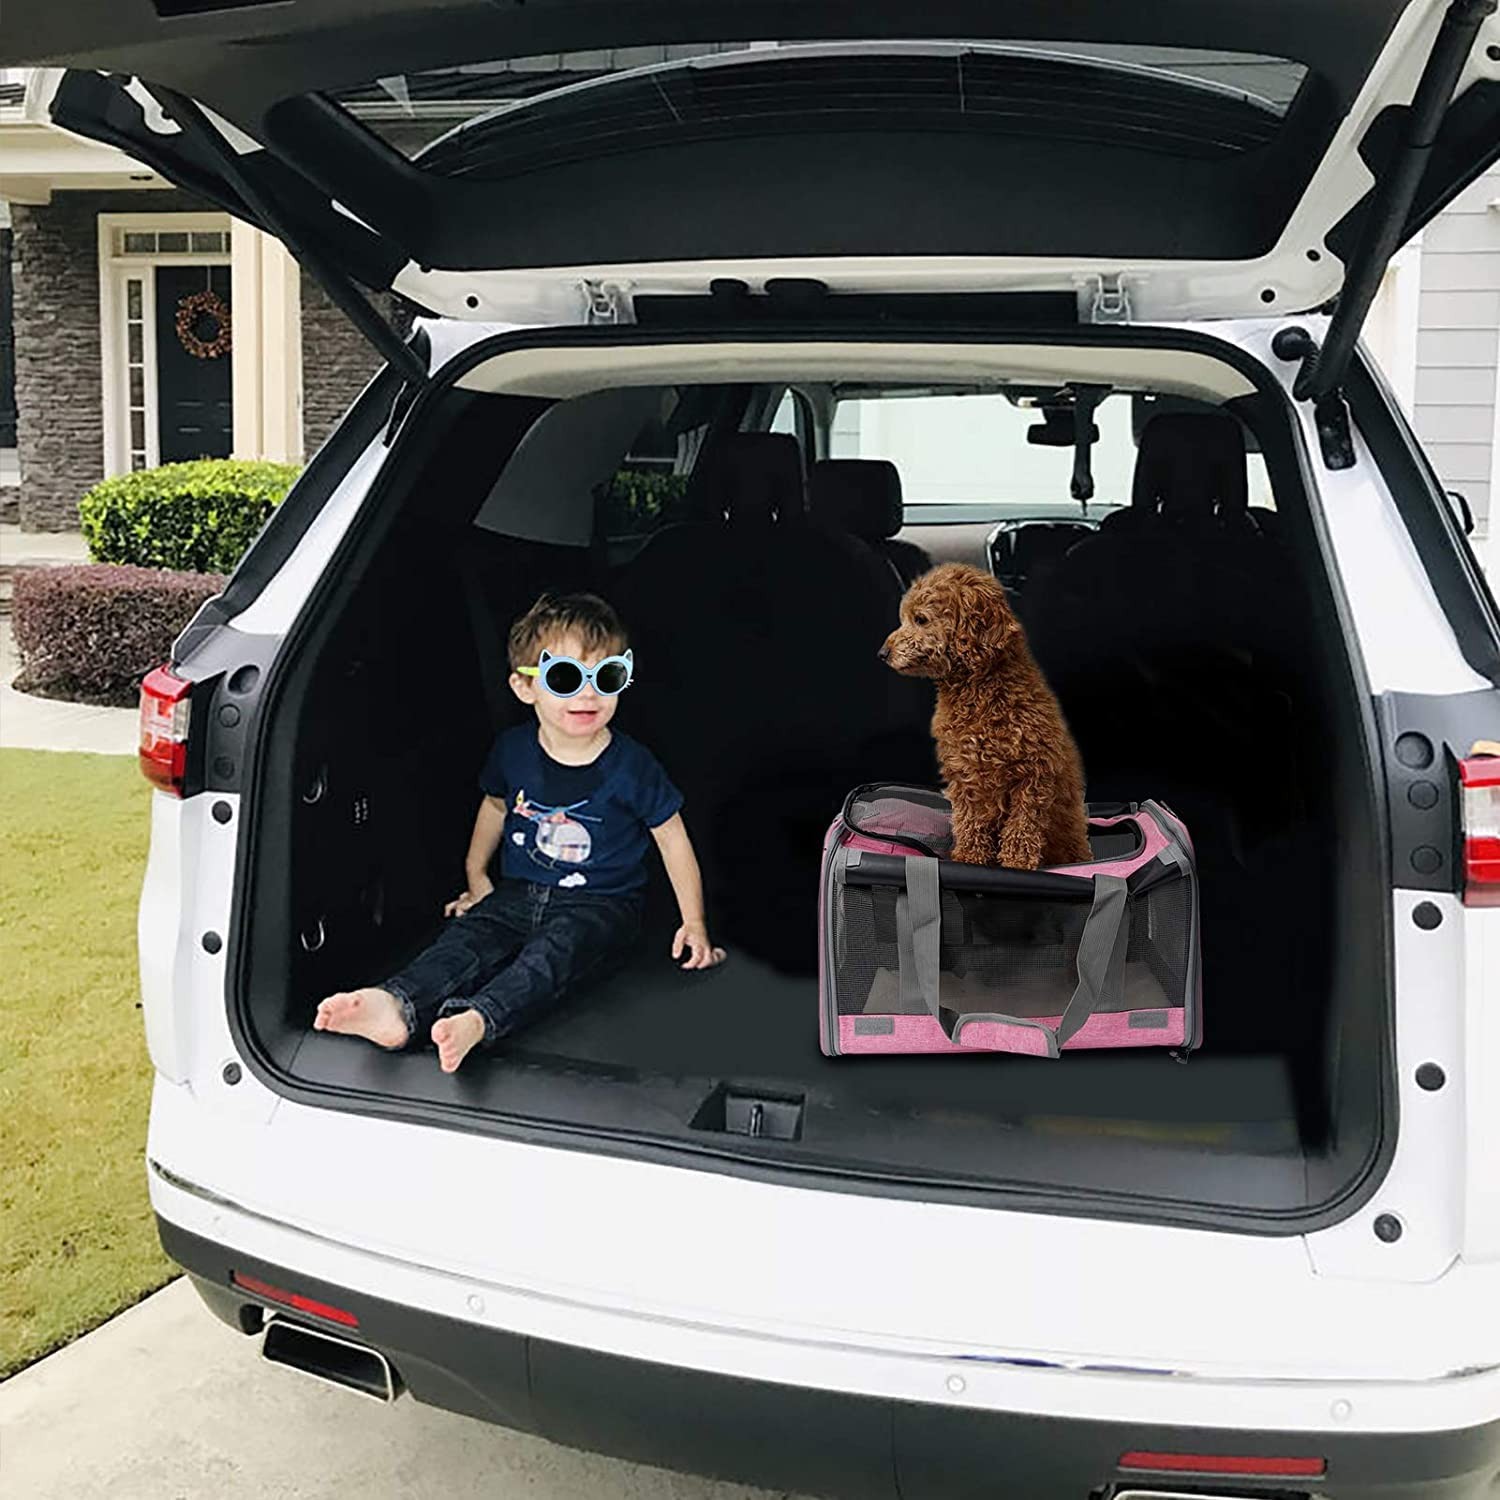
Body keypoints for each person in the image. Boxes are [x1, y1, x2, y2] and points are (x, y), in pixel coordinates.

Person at [313, 592, 724, 1072]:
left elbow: (672, 838)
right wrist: (476, 875)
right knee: (467, 939)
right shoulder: (513, 751)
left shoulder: (633, 766)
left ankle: (478, 1019)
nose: (589, 694)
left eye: (607, 675)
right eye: (566, 678)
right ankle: (397, 1005)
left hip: (603, 904)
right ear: (524, 687)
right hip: (518, 892)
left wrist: (693, 922)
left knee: (553, 955)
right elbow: (494, 807)